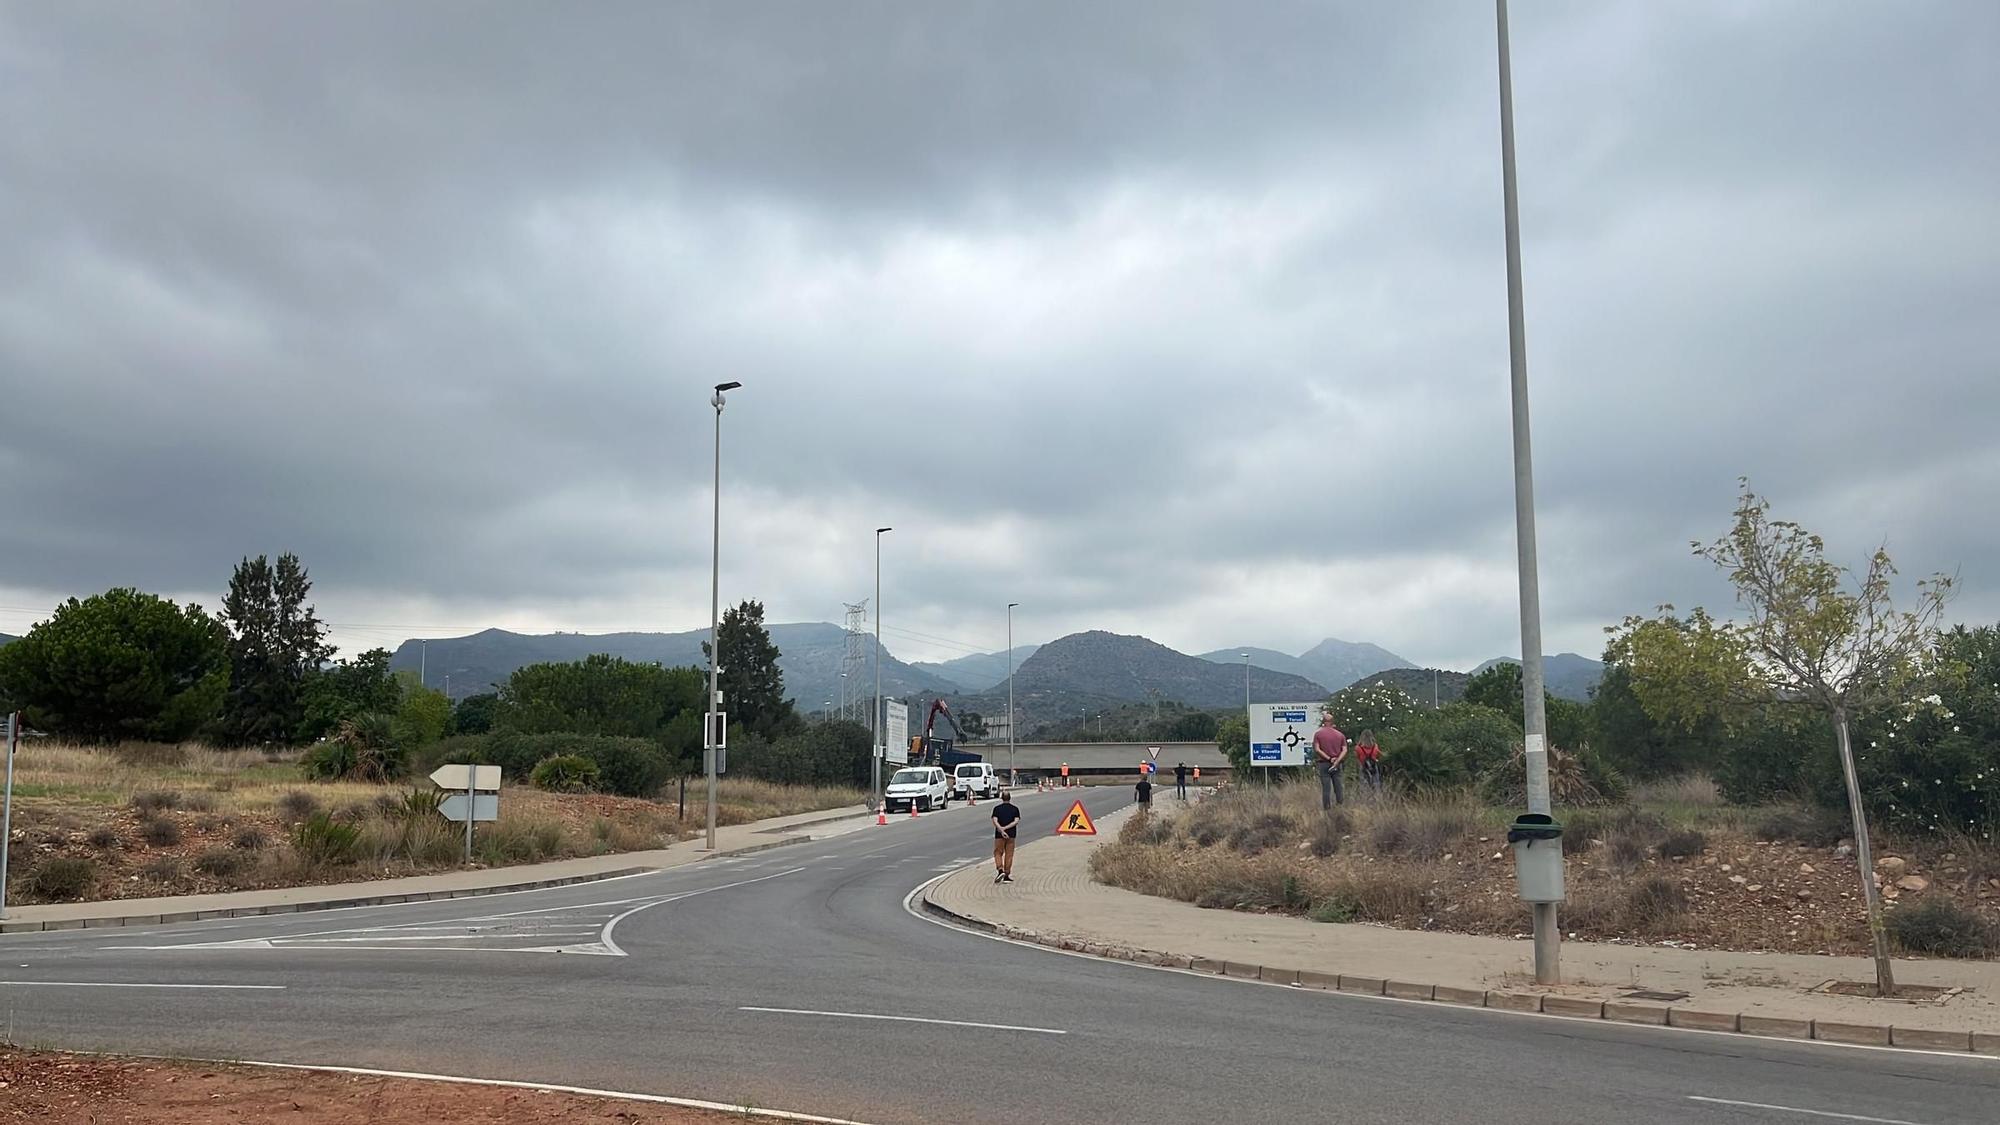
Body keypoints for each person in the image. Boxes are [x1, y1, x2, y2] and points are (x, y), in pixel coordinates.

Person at [1312, 711, 1348, 810]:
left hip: (1324, 763)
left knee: (1326, 789)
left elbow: (1317, 749)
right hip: (1337, 764)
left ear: (1323, 722)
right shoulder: (1340, 735)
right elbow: (1345, 749)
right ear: (1332, 722)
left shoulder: (1318, 734)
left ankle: (1327, 810)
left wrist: (1329, 758)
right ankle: (1340, 808)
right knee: (1339, 787)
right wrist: (1337, 760)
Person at [991, 790, 1020, 883]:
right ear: (1010, 798)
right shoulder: (1015, 809)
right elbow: (1016, 821)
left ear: (1001, 798)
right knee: (1009, 855)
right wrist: (1007, 828)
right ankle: (1007, 874)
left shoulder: (997, 809)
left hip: (999, 835)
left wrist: (1001, 829)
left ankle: (1000, 870)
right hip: (1011, 835)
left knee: (998, 852)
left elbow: (995, 820)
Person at [1355, 729, 1384, 794]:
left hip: (1363, 767)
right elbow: (1379, 755)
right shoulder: (1375, 746)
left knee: (1364, 784)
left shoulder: (1358, 748)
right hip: (1373, 766)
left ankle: (1366, 799)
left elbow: (1357, 758)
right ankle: (1377, 798)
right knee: (1376, 783)